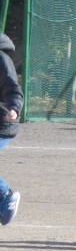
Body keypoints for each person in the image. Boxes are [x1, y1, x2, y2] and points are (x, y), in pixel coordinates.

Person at [0, 33, 24, 226]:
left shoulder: (2, 59)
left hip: (3, 123)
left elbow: (13, 89)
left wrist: (14, 108)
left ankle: (6, 196)